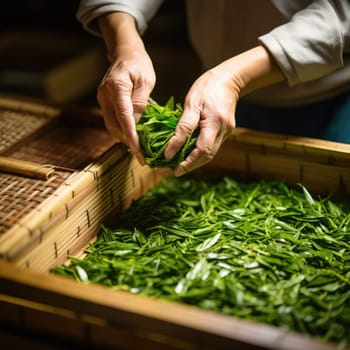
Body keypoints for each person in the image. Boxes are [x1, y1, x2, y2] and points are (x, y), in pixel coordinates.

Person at [76, 0, 350, 176]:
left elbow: (341, 12)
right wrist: (125, 47)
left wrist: (235, 78)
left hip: (327, 96)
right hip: (220, 95)